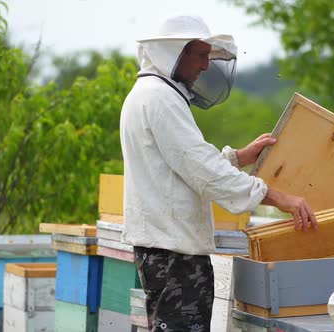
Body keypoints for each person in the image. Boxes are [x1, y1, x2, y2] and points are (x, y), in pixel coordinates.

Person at [120, 15, 318, 332]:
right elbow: (203, 170)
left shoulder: (148, 94)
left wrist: (237, 157)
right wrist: (277, 197)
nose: (204, 66)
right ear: (177, 53)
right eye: (200, 55)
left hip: (167, 252)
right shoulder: (159, 99)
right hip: (174, 257)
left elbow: (183, 164)